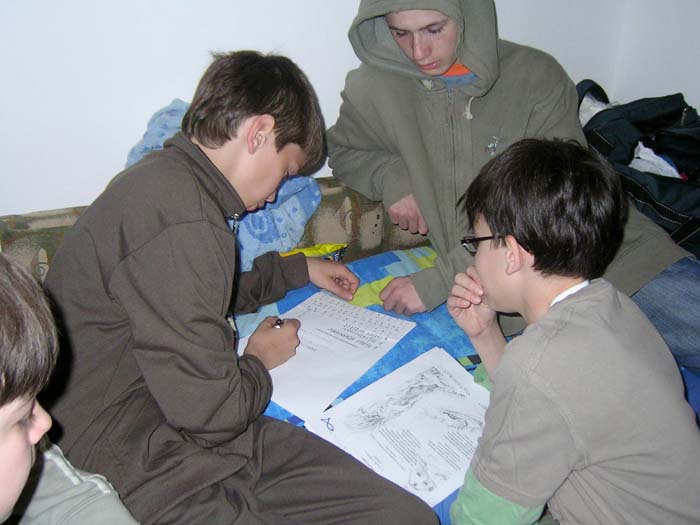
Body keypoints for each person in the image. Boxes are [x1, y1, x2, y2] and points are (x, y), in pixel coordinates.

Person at [42, 51, 438, 525]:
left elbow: (191, 298)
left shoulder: (167, 183)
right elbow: (212, 414)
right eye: (285, 171)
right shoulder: (183, 219)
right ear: (259, 133)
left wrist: (295, 271)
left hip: (181, 424)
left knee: (404, 515)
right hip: (129, 455)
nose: (273, 195)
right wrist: (259, 360)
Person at [327, 0, 700, 373]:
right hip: (510, 291)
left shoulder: (535, 75)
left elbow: (555, 208)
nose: (418, 51)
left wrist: (439, 281)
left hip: (618, 260)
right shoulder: (373, 87)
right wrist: (393, 178)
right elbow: (343, 149)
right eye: (400, 33)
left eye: (434, 29)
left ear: (465, 14)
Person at [446, 138, 700, 524]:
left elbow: (483, 518)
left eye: (475, 243)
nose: (475, 259)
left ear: (511, 254)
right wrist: (484, 333)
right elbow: (549, 397)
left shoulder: (541, 364)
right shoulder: (610, 303)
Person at [0, 252, 138, 524]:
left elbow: (64, 493)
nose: (45, 422)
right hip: (108, 430)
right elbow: (202, 409)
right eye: (22, 419)